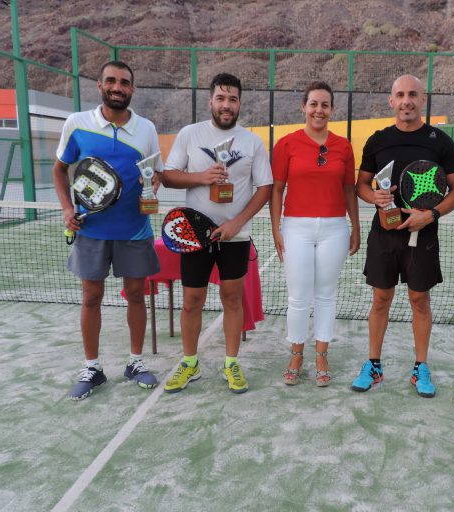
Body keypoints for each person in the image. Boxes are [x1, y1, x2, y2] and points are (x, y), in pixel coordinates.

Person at [53, 60, 163, 401]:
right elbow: (60, 170)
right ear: (100, 85)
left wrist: (152, 189)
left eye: (125, 82)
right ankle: (92, 368)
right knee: (91, 297)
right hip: (91, 229)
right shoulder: (77, 124)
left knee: (135, 295)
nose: (118, 87)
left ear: (132, 89)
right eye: (111, 81)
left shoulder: (146, 129)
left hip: (134, 229)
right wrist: (68, 209)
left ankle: (135, 362)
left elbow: (155, 174)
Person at [352, 74, 454, 398]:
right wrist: (376, 199)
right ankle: (373, 364)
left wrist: (430, 215)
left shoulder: (439, 141)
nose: (406, 101)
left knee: (419, 300)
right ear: (391, 101)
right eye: (400, 95)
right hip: (384, 233)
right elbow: (362, 184)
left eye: (412, 94)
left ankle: (420, 367)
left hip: (423, 234)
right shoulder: (377, 140)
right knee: (380, 299)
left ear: (422, 98)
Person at [161, 72, 273, 394]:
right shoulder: (190, 134)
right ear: (210, 101)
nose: (227, 105)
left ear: (239, 104)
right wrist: (201, 176)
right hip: (195, 236)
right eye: (221, 98)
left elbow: (265, 187)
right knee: (192, 300)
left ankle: (231, 362)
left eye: (233, 99)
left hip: (234, 237)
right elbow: (168, 176)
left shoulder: (252, 141)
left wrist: (237, 223)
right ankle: (190, 362)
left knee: (232, 298)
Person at [270, 81, 360, 387]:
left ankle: (322, 355)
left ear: (332, 110)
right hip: (296, 227)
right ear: (303, 107)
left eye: (325, 105)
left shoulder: (343, 146)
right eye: (314, 104)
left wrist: (355, 228)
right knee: (298, 296)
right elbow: (277, 189)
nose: (319, 110)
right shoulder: (286, 144)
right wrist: (276, 228)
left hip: (334, 227)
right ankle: (296, 354)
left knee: (325, 295)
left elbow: (349, 189)